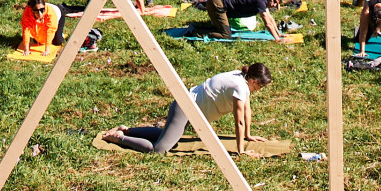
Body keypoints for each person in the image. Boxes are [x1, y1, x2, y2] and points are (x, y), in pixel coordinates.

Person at [100, 63, 274, 155]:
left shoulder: (241, 78)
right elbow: (239, 120)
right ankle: (119, 138)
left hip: (186, 106)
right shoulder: (240, 86)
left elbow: (247, 109)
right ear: (253, 80)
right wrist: (241, 150)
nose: (260, 89)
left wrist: (248, 136)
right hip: (184, 108)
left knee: (165, 136)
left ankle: (128, 130)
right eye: (260, 86)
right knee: (159, 150)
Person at [203, 0, 283, 39]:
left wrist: (278, 34)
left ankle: (204, 29)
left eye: (277, 4)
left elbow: (270, 18)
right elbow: (268, 23)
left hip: (218, 1)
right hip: (217, 3)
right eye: (274, 1)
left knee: (220, 29)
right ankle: (195, 32)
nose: (274, 5)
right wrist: (277, 39)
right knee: (226, 35)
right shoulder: (261, 0)